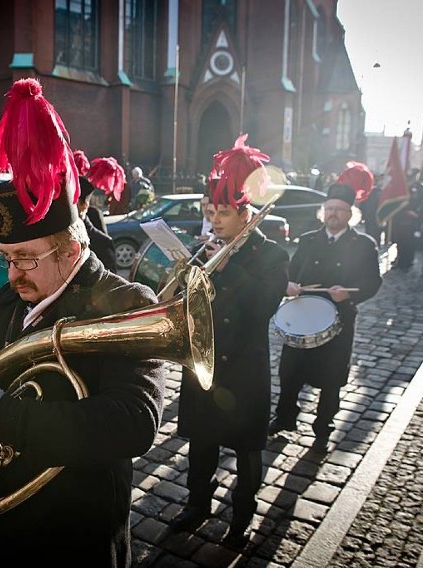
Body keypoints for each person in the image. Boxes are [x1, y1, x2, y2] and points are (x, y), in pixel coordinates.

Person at [0, 78, 167, 566]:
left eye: (26, 258)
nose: (13, 273)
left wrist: (3, 417)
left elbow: (134, 423)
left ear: (72, 250)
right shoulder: (10, 292)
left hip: (71, 529)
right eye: (6, 257)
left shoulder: (124, 302)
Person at [172, 135, 289, 544]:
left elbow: (263, 305)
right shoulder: (207, 251)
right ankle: (196, 504)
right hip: (204, 364)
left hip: (244, 367)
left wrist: (227, 268)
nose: (215, 219)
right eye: (211, 211)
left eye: (223, 211)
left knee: (247, 448)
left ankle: (242, 516)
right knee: (201, 443)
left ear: (245, 212)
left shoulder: (273, 254)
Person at [271, 183, 382, 443]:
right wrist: (289, 285)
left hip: (339, 318)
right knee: (290, 372)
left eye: (340, 210)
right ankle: (285, 416)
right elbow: (292, 271)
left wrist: (350, 294)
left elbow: (373, 282)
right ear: (323, 212)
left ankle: (323, 426)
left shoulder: (364, 245)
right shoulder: (309, 239)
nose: (333, 214)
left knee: (331, 378)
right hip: (302, 316)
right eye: (329, 208)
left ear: (351, 214)